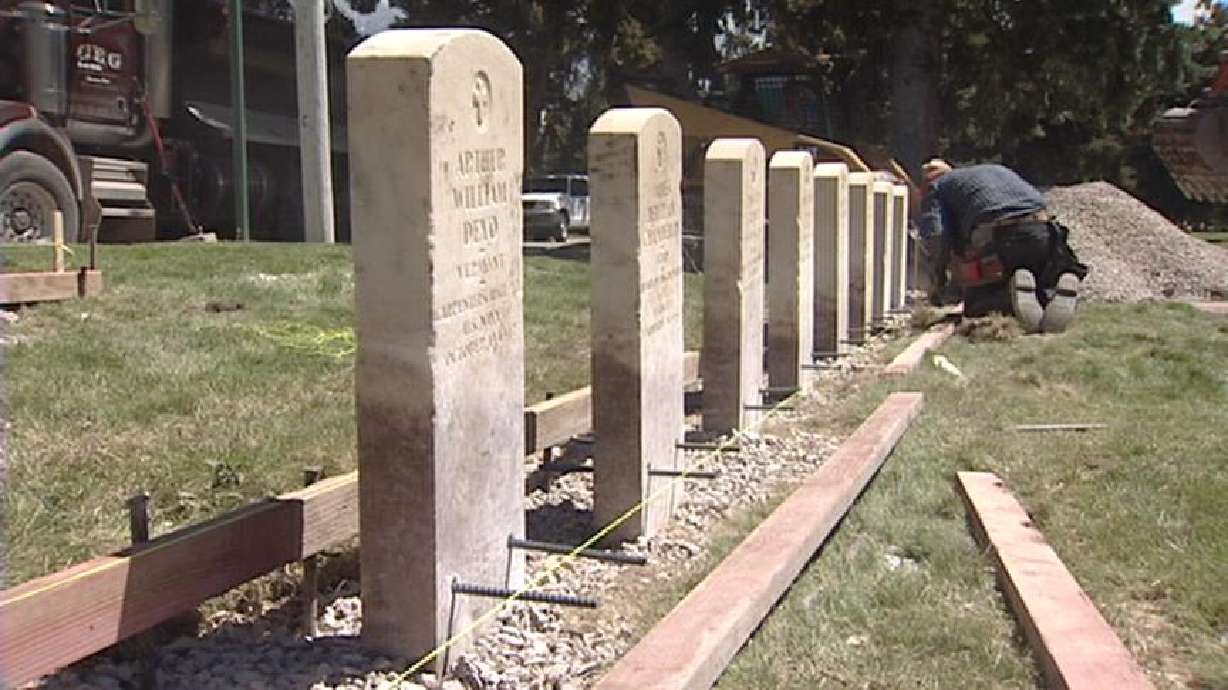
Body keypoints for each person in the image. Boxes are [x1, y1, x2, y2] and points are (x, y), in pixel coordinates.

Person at [917, 159, 1089, 333]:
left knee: (977, 306)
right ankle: (1051, 292)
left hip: (1003, 235)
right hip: (1044, 231)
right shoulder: (988, 172)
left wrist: (938, 278)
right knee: (1038, 280)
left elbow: (936, 236)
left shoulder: (937, 187)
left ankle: (1007, 296)